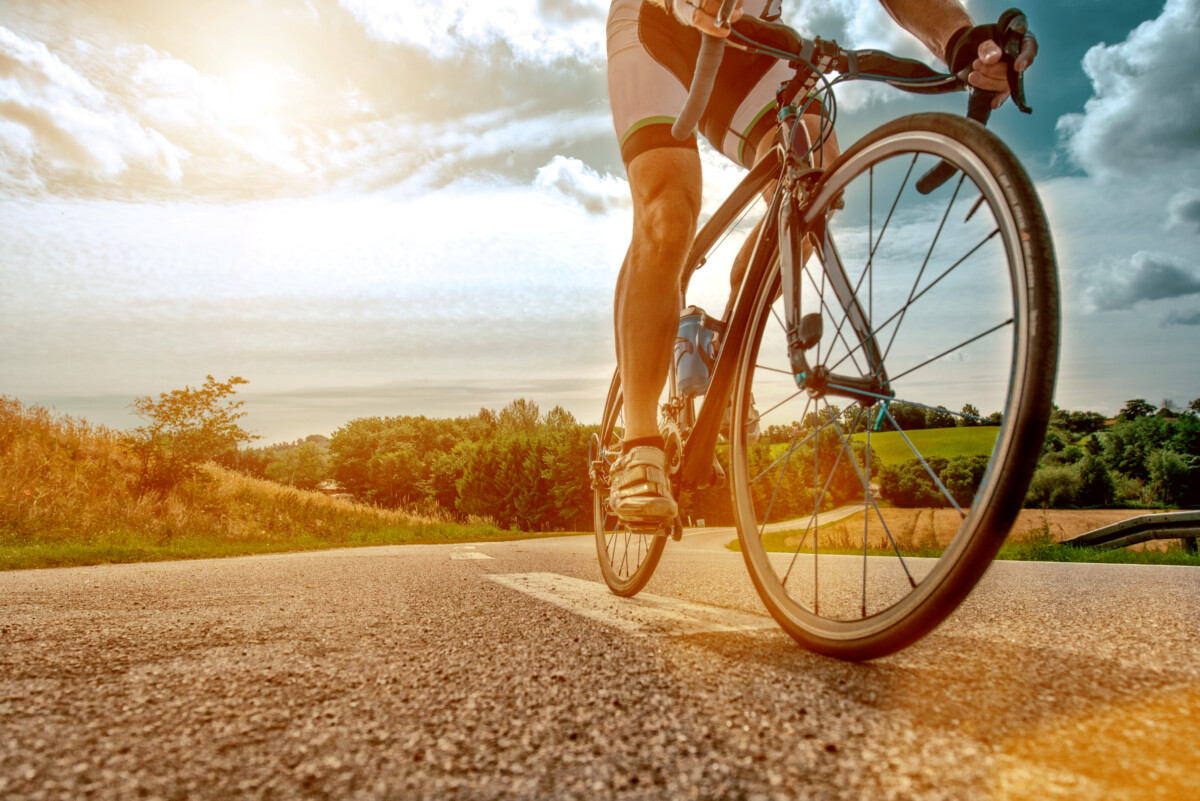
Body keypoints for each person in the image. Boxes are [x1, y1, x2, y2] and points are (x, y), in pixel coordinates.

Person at [604, 0, 1037, 528]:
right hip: (659, 27)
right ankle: (640, 441)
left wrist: (962, 41)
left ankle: (724, 340)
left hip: (751, 42)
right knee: (668, 212)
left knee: (814, 184)